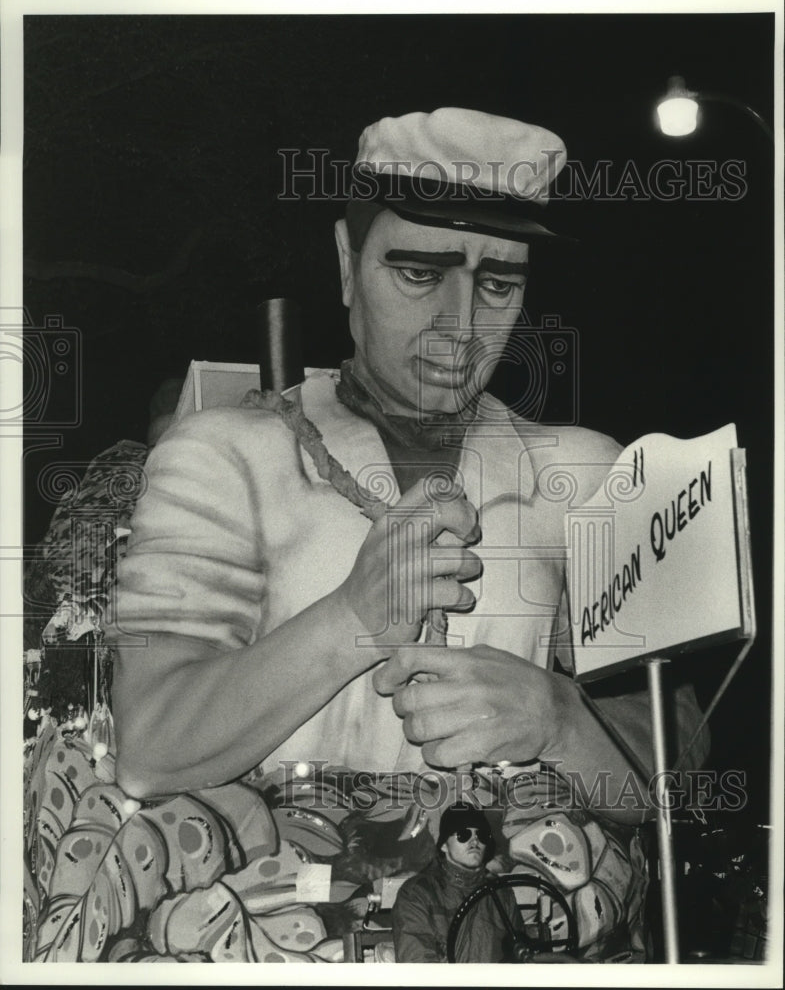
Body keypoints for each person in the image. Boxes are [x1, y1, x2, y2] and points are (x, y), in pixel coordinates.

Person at [107, 108, 708, 958]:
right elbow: (150, 747)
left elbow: (676, 776)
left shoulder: (589, 471)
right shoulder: (223, 456)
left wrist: (559, 717)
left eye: (499, 283)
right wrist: (350, 620)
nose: (462, 327)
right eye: (420, 274)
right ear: (348, 268)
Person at [392, 801, 522, 963]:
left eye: (481, 835)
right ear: (444, 845)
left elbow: (520, 958)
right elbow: (419, 967)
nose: (475, 842)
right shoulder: (418, 893)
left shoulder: (501, 893)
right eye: (463, 835)